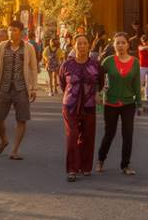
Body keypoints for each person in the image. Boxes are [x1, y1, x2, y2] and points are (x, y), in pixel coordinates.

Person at [59, 33, 103, 182]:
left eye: (85, 43)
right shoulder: (67, 65)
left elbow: (100, 82)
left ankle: (85, 166)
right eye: (79, 43)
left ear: (89, 46)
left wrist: (95, 93)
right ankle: (72, 168)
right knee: (72, 136)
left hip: (89, 105)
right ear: (74, 46)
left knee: (88, 136)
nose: (82, 46)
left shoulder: (95, 65)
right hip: (70, 105)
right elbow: (63, 84)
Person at [0, 20, 38, 160]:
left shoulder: (28, 47)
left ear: (21, 32)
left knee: (21, 119)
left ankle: (15, 150)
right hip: (3, 87)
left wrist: (33, 88)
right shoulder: (1, 46)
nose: (11, 33)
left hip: (21, 88)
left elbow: (33, 68)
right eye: (10, 30)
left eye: (14, 30)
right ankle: (4, 140)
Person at [97, 32, 140, 175]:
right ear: (113, 45)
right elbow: (98, 78)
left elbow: (136, 84)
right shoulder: (108, 61)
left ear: (128, 45)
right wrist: (98, 93)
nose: (120, 45)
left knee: (128, 134)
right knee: (109, 133)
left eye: (123, 42)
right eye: (118, 43)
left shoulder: (135, 62)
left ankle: (125, 165)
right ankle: (101, 160)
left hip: (128, 103)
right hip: (111, 102)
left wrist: (139, 103)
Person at [137, 36, 148, 102]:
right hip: (142, 66)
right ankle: (138, 96)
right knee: (141, 82)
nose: (145, 42)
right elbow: (142, 48)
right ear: (142, 41)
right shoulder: (140, 46)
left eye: (146, 41)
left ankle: (147, 96)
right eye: (144, 41)